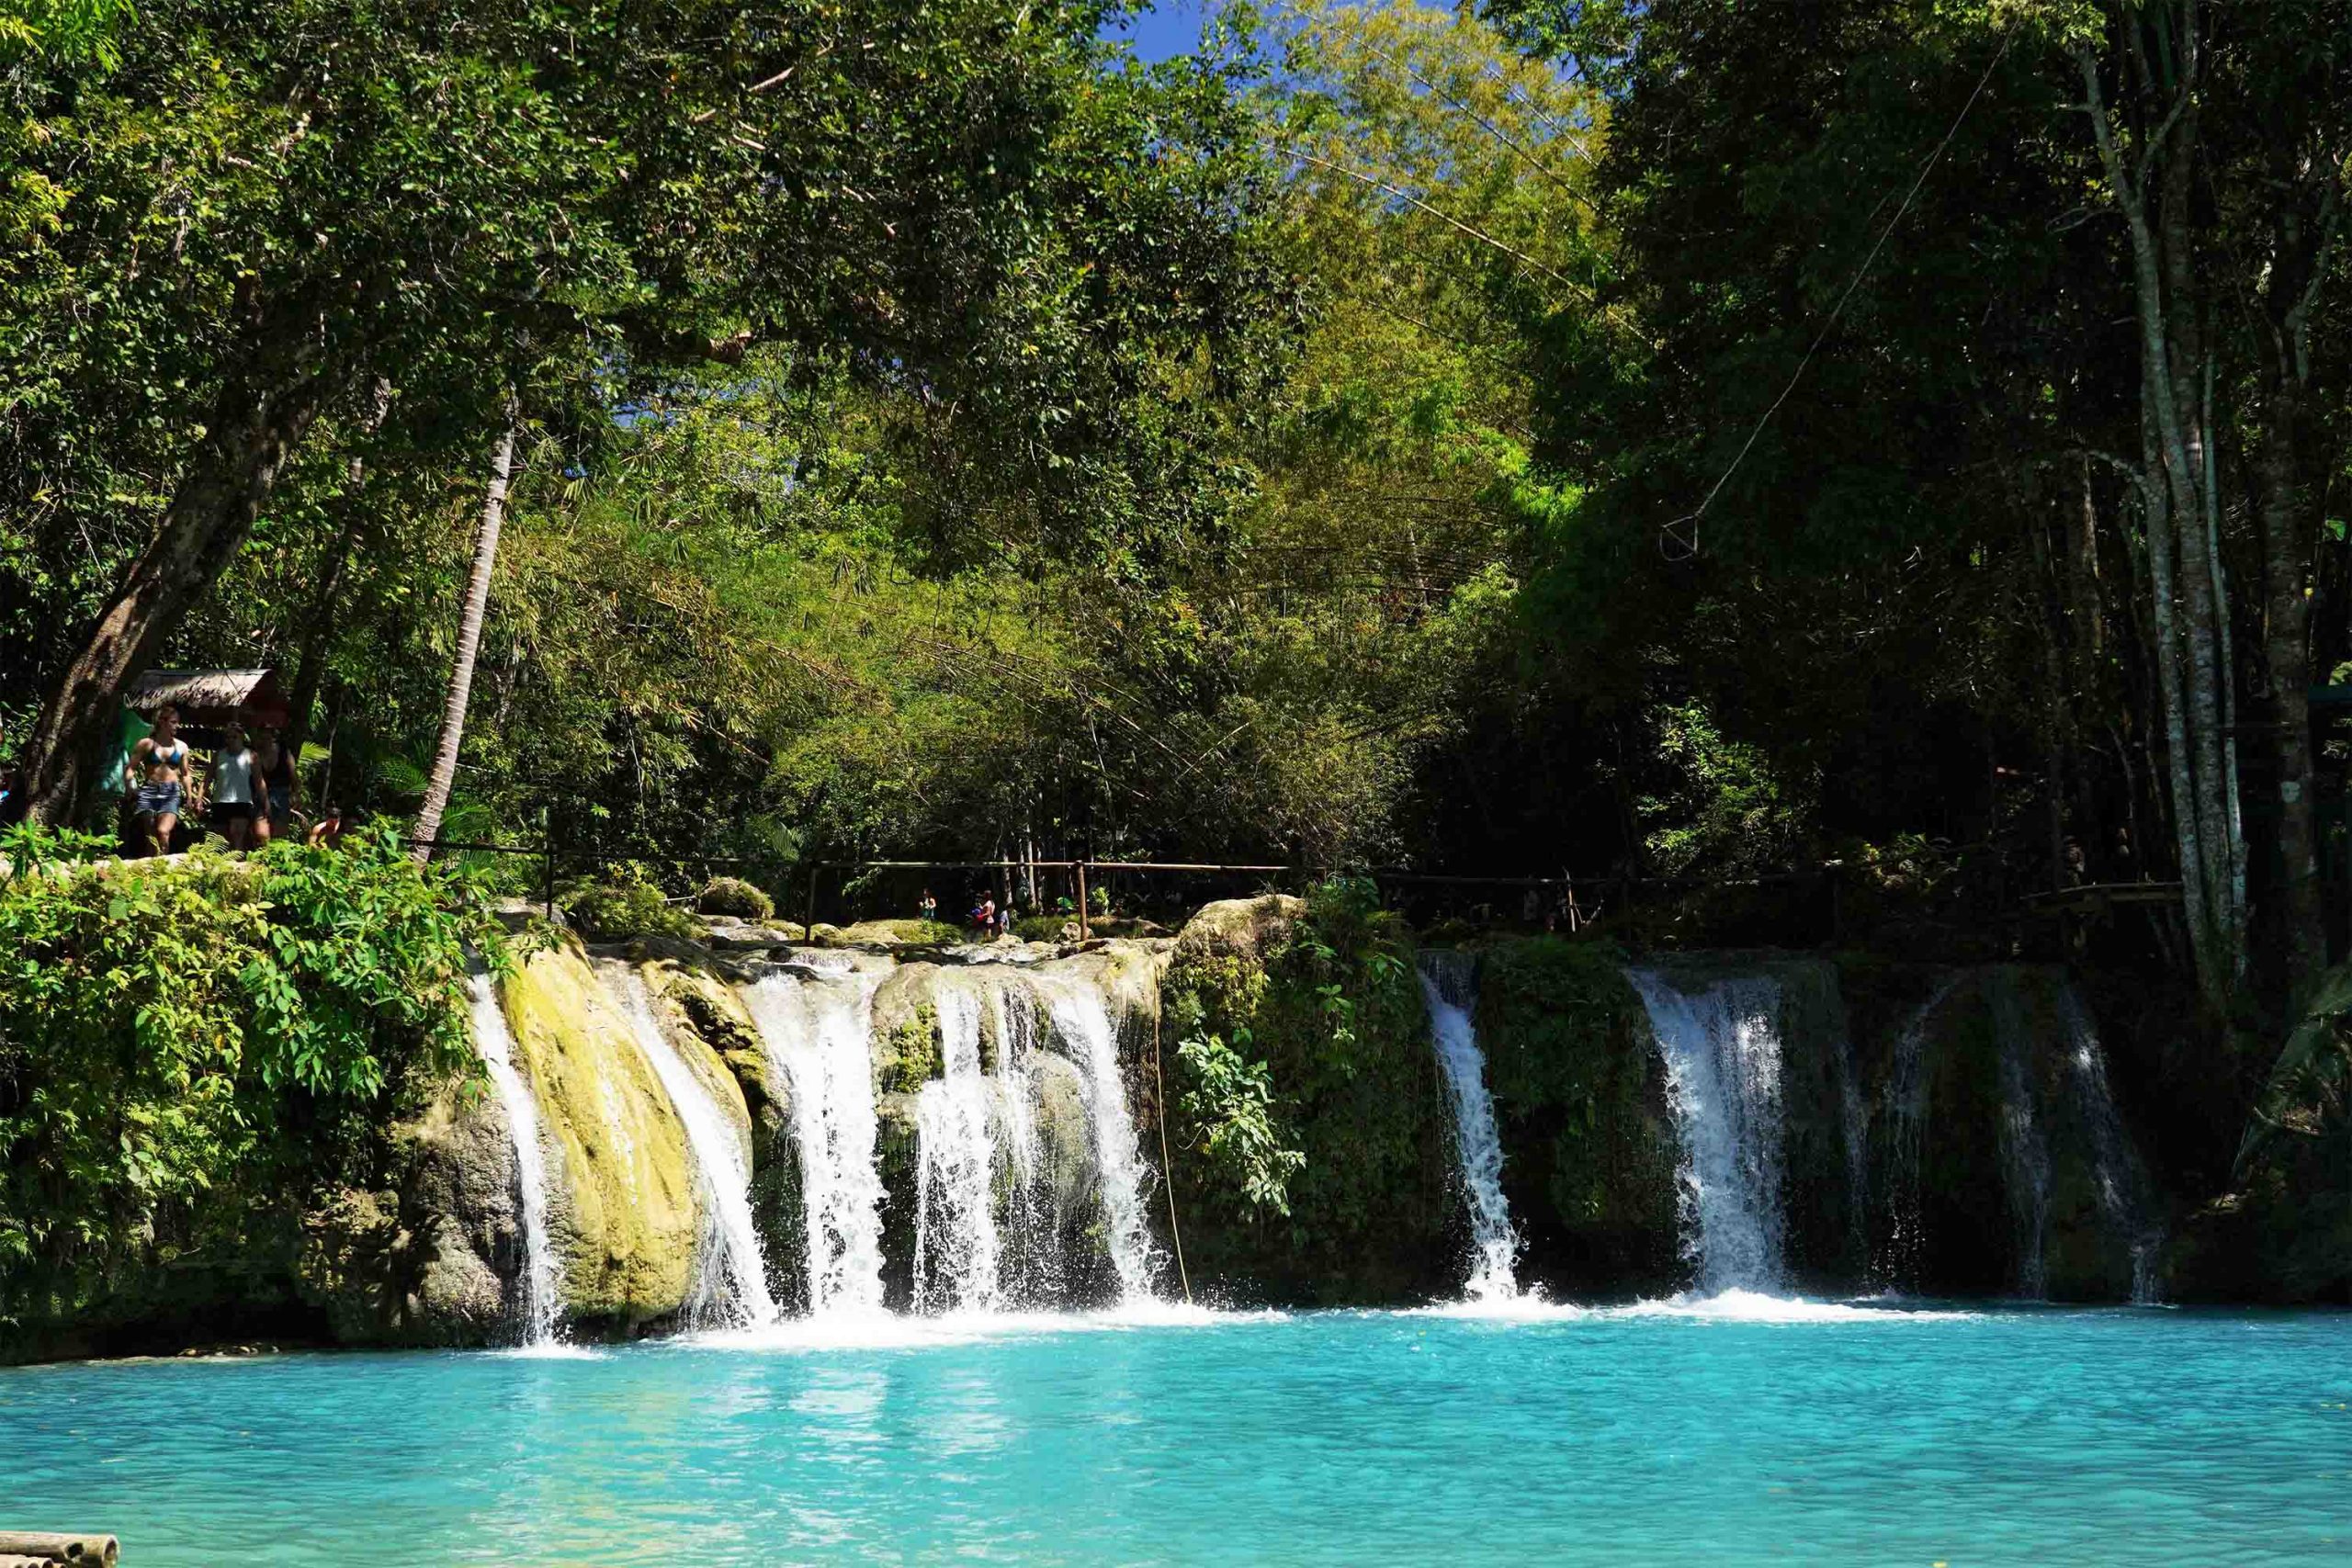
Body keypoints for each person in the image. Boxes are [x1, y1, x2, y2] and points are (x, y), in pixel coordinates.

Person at [126, 705, 192, 856]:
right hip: (150, 789)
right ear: (162, 722)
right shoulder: (146, 744)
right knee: (150, 834)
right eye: (173, 722)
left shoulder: (182, 747)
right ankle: (152, 868)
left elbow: (186, 773)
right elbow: (130, 768)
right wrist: (130, 787)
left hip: (171, 791)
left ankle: (163, 863)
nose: (177, 726)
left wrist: (189, 795)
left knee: (163, 831)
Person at [207, 721, 259, 851]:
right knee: (221, 839)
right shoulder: (219, 755)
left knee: (238, 836)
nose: (230, 740)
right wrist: (199, 797)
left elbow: (259, 781)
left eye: (234, 737)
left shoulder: (251, 755)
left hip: (242, 801)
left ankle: (238, 866)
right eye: (228, 737)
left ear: (241, 737)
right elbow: (207, 777)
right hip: (220, 801)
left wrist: (266, 802)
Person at [251, 728, 297, 844]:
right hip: (260, 793)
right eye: (262, 738)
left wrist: (296, 793)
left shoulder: (284, 752)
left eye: (267, 738)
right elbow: (257, 779)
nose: (264, 741)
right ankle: (264, 854)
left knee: (279, 833)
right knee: (261, 833)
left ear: (273, 738)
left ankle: (276, 857)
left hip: (281, 792)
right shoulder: (254, 754)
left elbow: (293, 775)